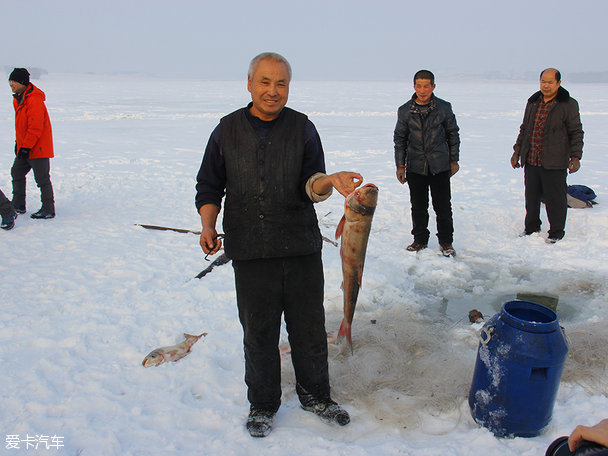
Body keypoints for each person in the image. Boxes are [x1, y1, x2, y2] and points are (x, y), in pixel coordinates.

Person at [195, 52, 361, 438]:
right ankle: (263, 403)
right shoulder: (226, 130)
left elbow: (312, 183)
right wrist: (208, 223)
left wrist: (329, 180)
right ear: (250, 84)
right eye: (265, 82)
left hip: (299, 247)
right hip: (250, 250)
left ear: (289, 87)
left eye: (281, 83)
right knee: (259, 331)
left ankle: (316, 394)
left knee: (308, 328)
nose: (273, 91)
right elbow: (209, 185)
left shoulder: (303, 128)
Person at [511, 68, 583, 244]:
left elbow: (576, 132)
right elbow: (525, 128)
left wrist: (575, 157)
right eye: (543, 81)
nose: (546, 85)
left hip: (555, 160)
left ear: (558, 83)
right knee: (532, 196)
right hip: (531, 158)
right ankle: (531, 228)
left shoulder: (568, 104)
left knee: (555, 198)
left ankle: (556, 232)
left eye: (550, 82)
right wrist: (517, 151)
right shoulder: (533, 101)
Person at [393, 69, 460, 257]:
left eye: (426, 86)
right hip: (415, 165)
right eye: (419, 86)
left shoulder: (444, 108)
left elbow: (453, 134)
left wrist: (453, 159)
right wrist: (400, 165)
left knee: (443, 206)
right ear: (414, 86)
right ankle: (420, 240)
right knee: (418, 206)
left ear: (433, 87)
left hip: (439, 164)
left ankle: (446, 242)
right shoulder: (405, 110)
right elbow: (400, 139)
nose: (422, 90)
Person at [8, 68, 55, 219]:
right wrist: (19, 144)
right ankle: (18, 204)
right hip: (26, 147)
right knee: (16, 172)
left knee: (42, 179)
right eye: (10, 81)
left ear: (22, 82)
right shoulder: (19, 98)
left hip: (38, 148)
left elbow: (35, 127)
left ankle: (48, 209)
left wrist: (26, 146)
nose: (10, 84)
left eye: (13, 81)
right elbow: (22, 126)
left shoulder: (34, 99)